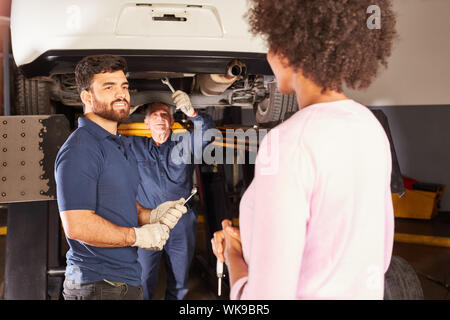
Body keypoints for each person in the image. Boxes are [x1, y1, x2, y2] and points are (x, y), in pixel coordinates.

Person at [211, 0, 398, 299]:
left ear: (289, 48)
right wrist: (259, 246)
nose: (269, 54)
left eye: (272, 43)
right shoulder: (369, 127)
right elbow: (357, 252)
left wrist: (234, 255)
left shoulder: (289, 141)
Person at [55, 54, 187, 300]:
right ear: (86, 97)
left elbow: (118, 202)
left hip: (123, 281)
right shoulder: (81, 148)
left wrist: (150, 215)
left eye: (124, 86)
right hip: (97, 284)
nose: (121, 94)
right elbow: (77, 225)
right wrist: (137, 236)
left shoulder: (118, 144)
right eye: (109, 87)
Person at [130, 93, 215, 300]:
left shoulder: (183, 145)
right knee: (142, 278)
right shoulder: (134, 146)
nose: (160, 117)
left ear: (172, 121)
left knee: (179, 281)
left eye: (164, 114)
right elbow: (104, 137)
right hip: (148, 221)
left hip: (181, 222)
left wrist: (193, 113)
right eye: (155, 115)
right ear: (146, 122)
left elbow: (207, 134)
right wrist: (121, 112)